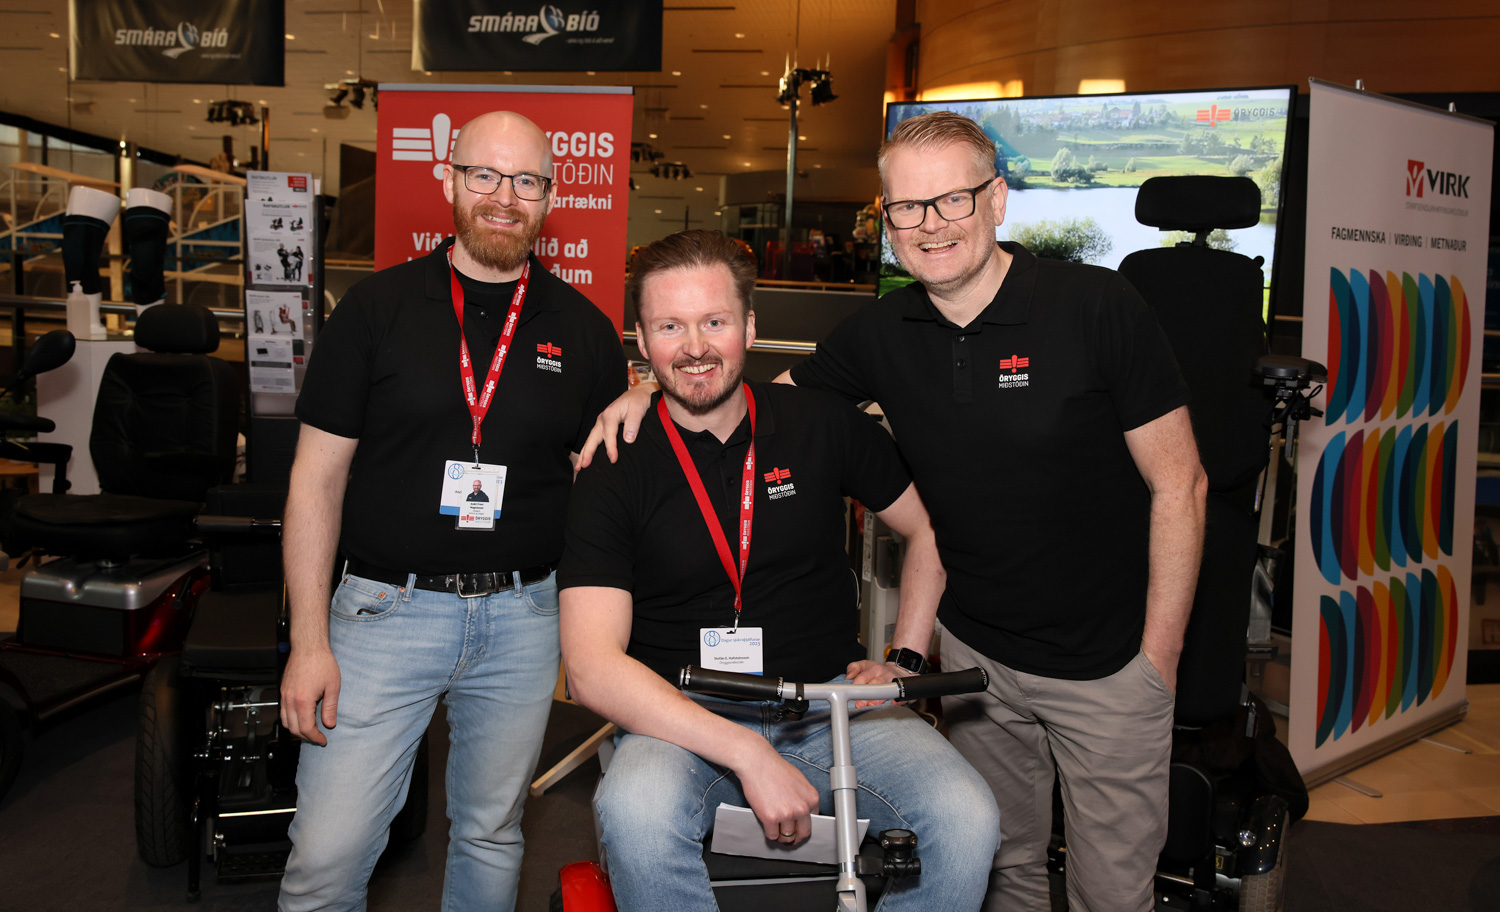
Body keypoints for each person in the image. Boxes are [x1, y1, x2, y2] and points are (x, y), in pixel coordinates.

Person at [581, 112, 1207, 912]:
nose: (930, 224)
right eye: (907, 207)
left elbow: (1182, 485)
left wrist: (1159, 657)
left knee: (1103, 885)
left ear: (997, 199)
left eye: (952, 199)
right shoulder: (881, 332)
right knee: (1006, 868)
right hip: (977, 657)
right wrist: (649, 388)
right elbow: (746, 398)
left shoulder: (1094, 305)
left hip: (1106, 657)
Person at [559, 230, 999, 912]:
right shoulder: (615, 461)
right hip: (680, 715)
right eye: (670, 327)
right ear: (641, 341)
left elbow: (928, 529)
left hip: (829, 703)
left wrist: (905, 660)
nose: (695, 347)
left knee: (967, 816)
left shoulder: (820, 423)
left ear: (751, 327)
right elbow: (591, 667)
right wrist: (747, 751)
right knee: (636, 817)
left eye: (715, 322)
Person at [277, 110, 626, 912]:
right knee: (327, 855)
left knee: (491, 834)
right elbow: (314, 483)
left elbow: (605, 487)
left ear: (551, 197)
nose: (505, 197)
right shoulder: (375, 309)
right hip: (382, 613)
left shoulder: (584, 330)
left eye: (526, 180)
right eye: (484, 175)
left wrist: (641, 400)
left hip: (525, 618)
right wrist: (308, 642)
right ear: (449, 181)